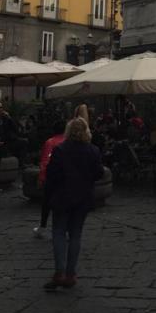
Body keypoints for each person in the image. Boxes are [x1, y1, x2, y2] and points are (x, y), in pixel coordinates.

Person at [43, 116, 103, 290]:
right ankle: (70, 274)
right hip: (82, 197)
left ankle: (59, 272)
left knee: (59, 232)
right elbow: (99, 173)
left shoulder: (60, 150)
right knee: (76, 234)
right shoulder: (93, 150)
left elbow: (52, 174)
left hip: (62, 196)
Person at [33, 118, 66, 238]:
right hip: (67, 178)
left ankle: (43, 226)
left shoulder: (50, 142)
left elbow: (45, 162)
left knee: (47, 203)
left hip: (52, 178)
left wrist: (41, 178)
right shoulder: (69, 141)